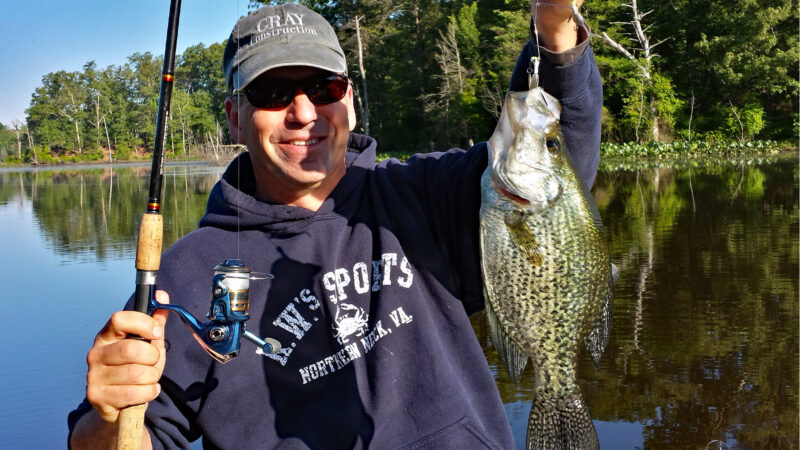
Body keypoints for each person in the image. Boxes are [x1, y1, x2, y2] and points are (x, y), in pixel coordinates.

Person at [68, 2, 602, 448]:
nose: (303, 112)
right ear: (234, 118)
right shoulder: (184, 277)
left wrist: (554, 27)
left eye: (323, 88)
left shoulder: (427, 195)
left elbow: (560, 161)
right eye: (272, 94)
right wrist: (110, 416)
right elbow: (136, 438)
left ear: (348, 99)